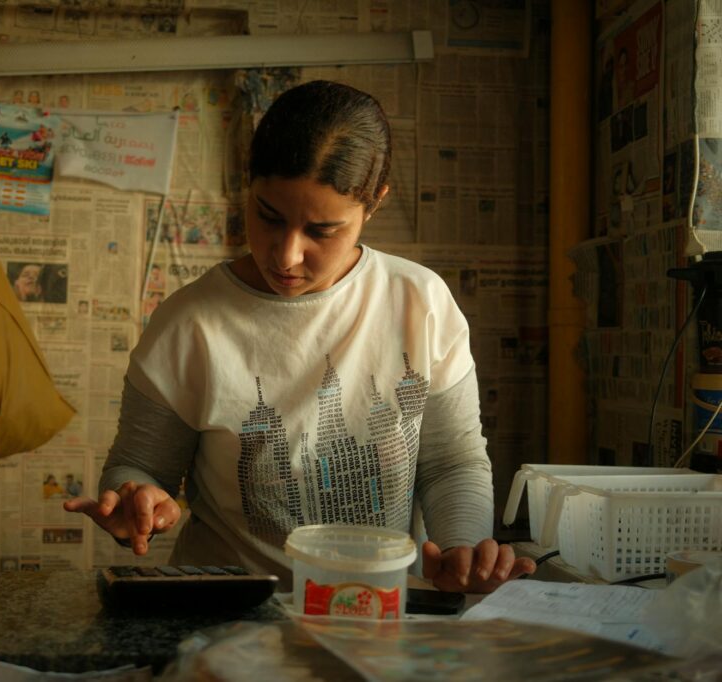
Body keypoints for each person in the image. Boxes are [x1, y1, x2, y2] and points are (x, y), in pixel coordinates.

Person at [64, 81, 535, 593]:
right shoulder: (189, 323)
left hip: (374, 610)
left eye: (321, 231)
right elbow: (137, 466)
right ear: (249, 184)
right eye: (269, 216)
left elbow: (452, 461)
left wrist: (461, 552)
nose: (286, 255)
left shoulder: (420, 302)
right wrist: (134, 498)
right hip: (233, 613)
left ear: (373, 205)